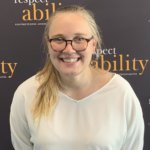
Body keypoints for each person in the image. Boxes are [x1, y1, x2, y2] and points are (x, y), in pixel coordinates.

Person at [10, 5, 144, 150]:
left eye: (79, 39)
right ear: (48, 45)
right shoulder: (26, 94)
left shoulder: (121, 93)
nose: (69, 49)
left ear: (93, 44)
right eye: (59, 39)